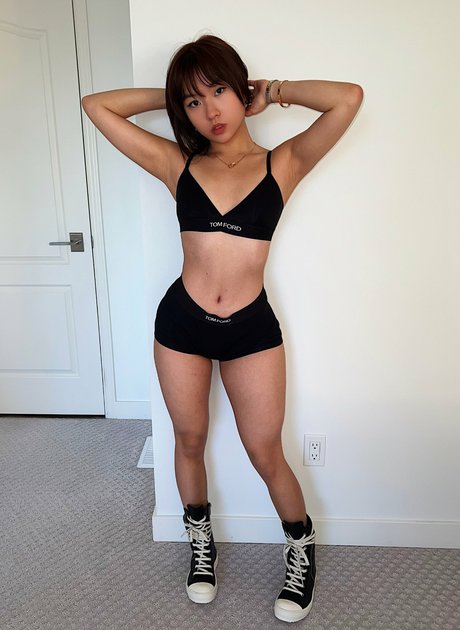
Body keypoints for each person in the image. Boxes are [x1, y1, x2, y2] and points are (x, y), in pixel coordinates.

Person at [82, 34, 363, 623]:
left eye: (218, 91)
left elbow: (348, 98)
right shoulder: (177, 164)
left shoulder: (283, 164)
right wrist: (171, 96)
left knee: (265, 451)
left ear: (241, 89)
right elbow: (96, 106)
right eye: (192, 102)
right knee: (188, 440)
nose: (210, 110)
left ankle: (300, 549)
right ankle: (200, 547)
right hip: (181, 325)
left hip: (249, 330)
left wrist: (275, 91)